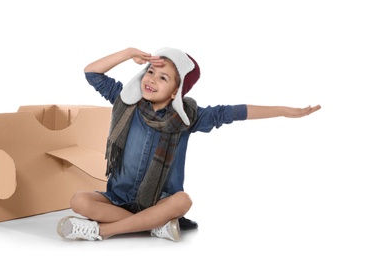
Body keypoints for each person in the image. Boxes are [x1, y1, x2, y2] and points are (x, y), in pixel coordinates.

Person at [56, 47, 321, 242]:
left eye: (163, 78)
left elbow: (233, 112)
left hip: (160, 200)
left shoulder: (188, 118)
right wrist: (127, 53)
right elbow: (92, 72)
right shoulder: (125, 102)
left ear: (176, 91)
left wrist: (284, 111)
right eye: (151, 71)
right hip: (118, 198)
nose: (151, 80)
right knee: (79, 200)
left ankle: (102, 231)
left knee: (183, 201)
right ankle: (154, 227)